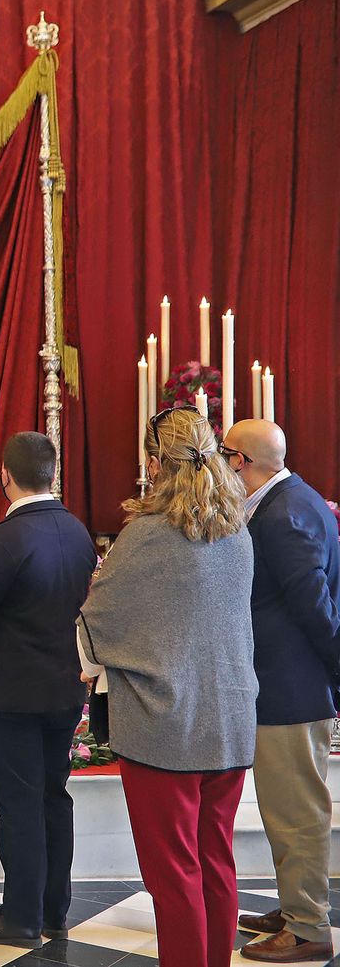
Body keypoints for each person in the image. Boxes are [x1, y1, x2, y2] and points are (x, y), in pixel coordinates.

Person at [78, 407, 255, 967]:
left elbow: (96, 619)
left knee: (175, 875)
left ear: (154, 464)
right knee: (216, 862)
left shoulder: (146, 536)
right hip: (228, 719)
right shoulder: (237, 531)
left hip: (166, 726)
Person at [0, 432, 97, 948]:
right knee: (54, 798)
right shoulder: (78, 532)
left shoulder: (4, 541)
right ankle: (53, 911)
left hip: (10, 694)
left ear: (5, 477)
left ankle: (20, 919)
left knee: (19, 805)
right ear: (52, 473)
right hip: (65, 689)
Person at [222, 420, 340, 963]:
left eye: (225, 455)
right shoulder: (280, 502)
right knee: (281, 808)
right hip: (281, 684)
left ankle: (309, 927)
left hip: (293, 688)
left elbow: (315, 609)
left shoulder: (285, 513)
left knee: (296, 813)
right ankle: (293, 906)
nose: (221, 465)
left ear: (242, 461)